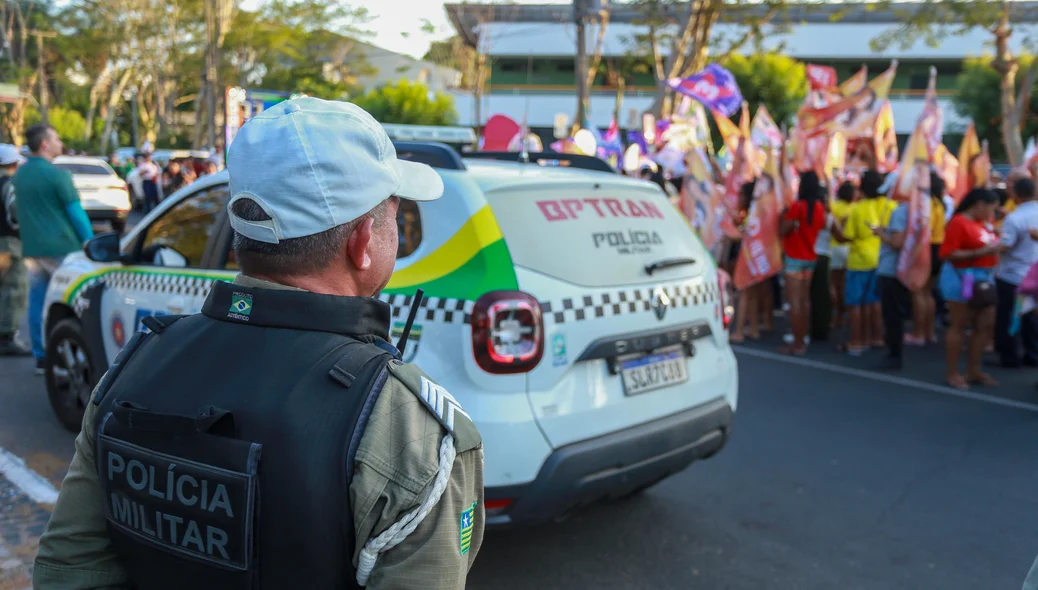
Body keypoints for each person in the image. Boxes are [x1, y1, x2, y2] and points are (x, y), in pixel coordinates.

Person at [33, 98, 485, 589]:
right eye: (394, 217)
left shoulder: (136, 364)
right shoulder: (407, 427)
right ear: (361, 242)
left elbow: (66, 568)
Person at [12, 125, 94, 374]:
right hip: (62, 248)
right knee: (81, 300)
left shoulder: (20, 176)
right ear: (45, 144)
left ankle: (41, 356)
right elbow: (76, 214)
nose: (61, 143)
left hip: (33, 248)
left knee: (37, 299)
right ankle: (72, 354)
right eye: (57, 138)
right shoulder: (57, 176)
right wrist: (91, 242)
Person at [939, 188, 1001, 390]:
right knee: (960, 324)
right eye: (991, 209)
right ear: (979, 205)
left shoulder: (983, 223)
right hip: (963, 277)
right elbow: (947, 253)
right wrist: (981, 251)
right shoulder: (958, 222)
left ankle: (974, 369)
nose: (992, 214)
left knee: (984, 324)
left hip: (984, 277)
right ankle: (953, 372)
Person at [837, 169, 895, 355]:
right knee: (874, 301)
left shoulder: (857, 209)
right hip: (882, 260)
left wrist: (838, 226)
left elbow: (847, 236)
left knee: (855, 303)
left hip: (859, 260)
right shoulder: (891, 206)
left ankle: (857, 341)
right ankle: (876, 337)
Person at [779, 170, 827, 355]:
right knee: (805, 302)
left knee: (795, 302)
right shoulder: (819, 208)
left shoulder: (797, 207)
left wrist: (784, 216)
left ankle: (797, 343)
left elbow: (783, 230)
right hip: (810, 259)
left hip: (794, 259)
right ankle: (802, 340)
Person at [993, 176, 1038, 367]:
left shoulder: (1014, 217)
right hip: (1033, 275)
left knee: (1009, 316)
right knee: (1030, 316)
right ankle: (1032, 354)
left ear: (1015, 195)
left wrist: (990, 243)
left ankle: (1010, 356)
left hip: (1013, 275)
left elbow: (1006, 245)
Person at [909, 172, 948, 346]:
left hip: (927, 248)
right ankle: (929, 332)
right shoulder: (940, 204)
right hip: (937, 249)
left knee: (918, 292)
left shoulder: (928, 205)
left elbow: (925, 229)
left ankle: (919, 333)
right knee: (928, 292)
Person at [874, 191, 910, 370]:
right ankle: (894, 352)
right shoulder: (921, 210)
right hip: (908, 267)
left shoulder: (901, 211)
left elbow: (897, 242)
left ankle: (894, 354)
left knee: (892, 314)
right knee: (896, 313)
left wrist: (881, 233)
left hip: (892, 268)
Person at [0, 144, 28, 356]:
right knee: (13, 289)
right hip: (8, 243)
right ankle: (7, 337)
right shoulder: (10, 185)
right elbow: (16, 214)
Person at [829, 181, 856, 329]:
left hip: (834, 248)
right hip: (849, 248)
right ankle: (842, 314)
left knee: (833, 283)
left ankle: (835, 315)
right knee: (843, 284)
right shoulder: (855, 208)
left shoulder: (834, 207)